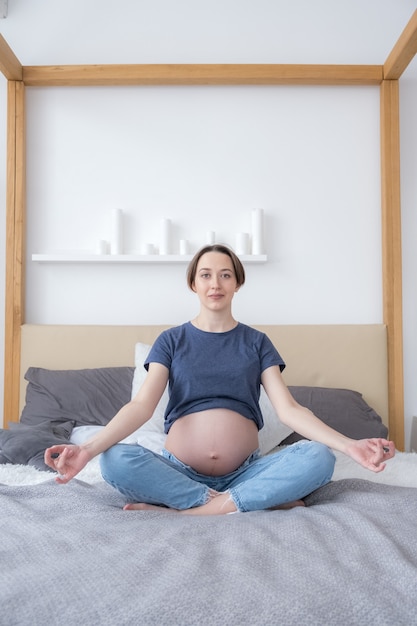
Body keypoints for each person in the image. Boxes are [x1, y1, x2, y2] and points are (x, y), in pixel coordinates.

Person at [45, 243, 395, 515]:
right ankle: (239, 503)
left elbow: (289, 411)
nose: (216, 283)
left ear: (238, 283)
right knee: (115, 460)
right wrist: (88, 450)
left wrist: (349, 445)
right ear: (193, 283)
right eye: (207, 275)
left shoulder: (256, 342)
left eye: (226, 275)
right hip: (178, 473)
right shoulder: (171, 340)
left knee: (319, 457)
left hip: (247, 471)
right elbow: (140, 406)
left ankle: (197, 512)